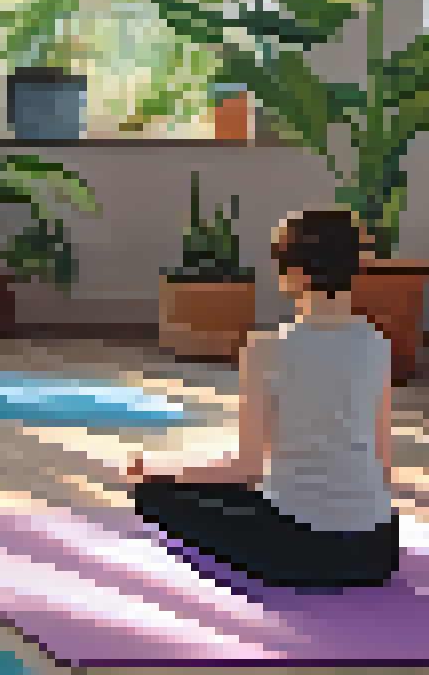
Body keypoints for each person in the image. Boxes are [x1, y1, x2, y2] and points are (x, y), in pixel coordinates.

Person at [120, 208, 401, 589]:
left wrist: (159, 469)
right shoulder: (377, 344)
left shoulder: (266, 348)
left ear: (295, 273)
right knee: (242, 493)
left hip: (296, 548)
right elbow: (382, 464)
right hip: (375, 551)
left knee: (154, 495)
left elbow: (246, 468)